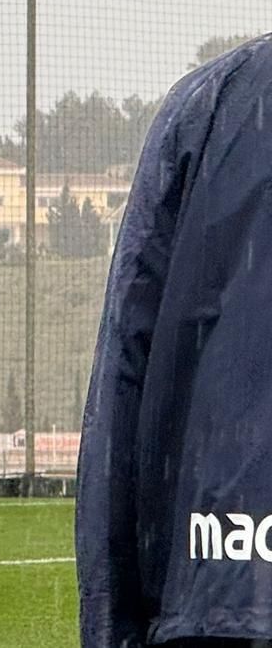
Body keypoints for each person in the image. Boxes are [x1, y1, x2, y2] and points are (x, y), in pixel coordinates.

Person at [76, 33, 272, 647]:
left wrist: (112, 625)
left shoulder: (214, 98)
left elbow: (124, 376)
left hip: (221, 574)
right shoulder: (214, 101)